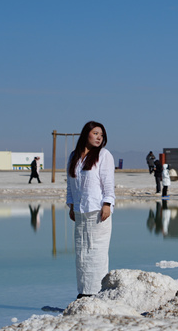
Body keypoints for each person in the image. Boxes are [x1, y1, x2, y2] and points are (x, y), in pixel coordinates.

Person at [66, 121, 115, 299]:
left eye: (101, 134)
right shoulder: (74, 156)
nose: (99, 137)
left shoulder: (103, 155)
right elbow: (70, 184)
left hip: (98, 211)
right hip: (80, 212)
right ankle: (83, 292)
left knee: (97, 252)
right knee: (82, 253)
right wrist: (71, 205)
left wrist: (107, 204)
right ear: (86, 134)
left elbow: (108, 182)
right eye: (95, 133)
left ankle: (97, 293)